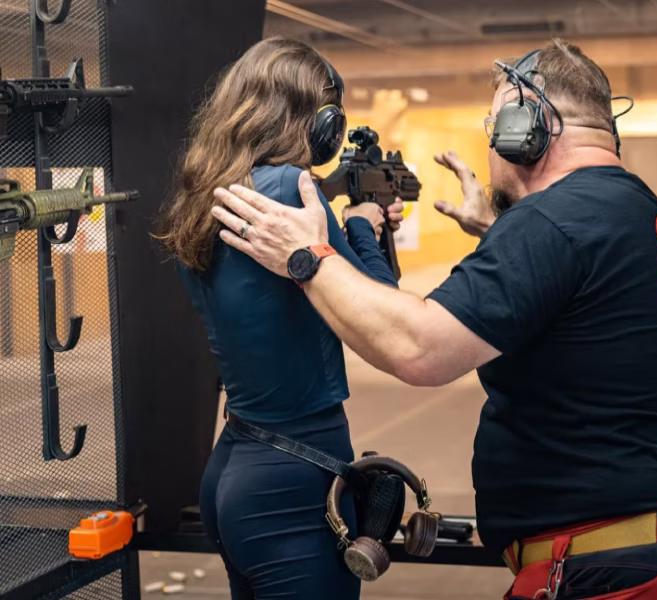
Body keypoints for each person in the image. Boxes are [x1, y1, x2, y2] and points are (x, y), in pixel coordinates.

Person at [210, 38, 657, 600]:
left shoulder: (553, 224)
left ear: (525, 126)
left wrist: (308, 254)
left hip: (610, 568)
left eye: (495, 124)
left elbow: (418, 348)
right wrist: (498, 234)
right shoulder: (647, 214)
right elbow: (586, 303)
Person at [153, 37, 404, 599]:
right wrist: (362, 225)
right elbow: (379, 309)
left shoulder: (210, 197)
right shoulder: (295, 192)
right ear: (306, 121)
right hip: (295, 480)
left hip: (236, 464)